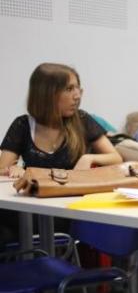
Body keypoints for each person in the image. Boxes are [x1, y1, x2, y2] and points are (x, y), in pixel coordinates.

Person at [0, 63, 122, 247]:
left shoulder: (81, 120)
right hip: (31, 207)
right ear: (47, 94)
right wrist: (14, 169)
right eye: (69, 89)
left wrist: (89, 157)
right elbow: (3, 168)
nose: (77, 96)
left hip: (64, 210)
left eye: (77, 88)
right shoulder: (23, 125)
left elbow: (116, 158)